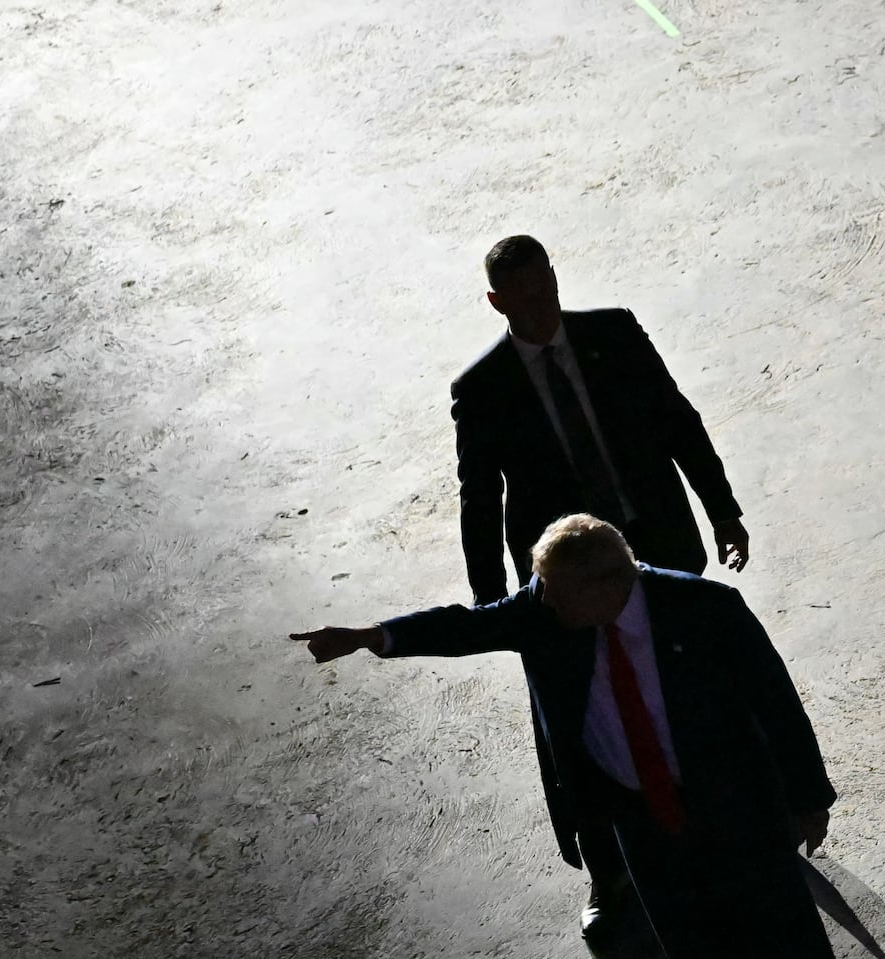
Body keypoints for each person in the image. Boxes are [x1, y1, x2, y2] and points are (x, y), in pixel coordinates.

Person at [291, 514, 836, 959]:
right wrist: (371, 636)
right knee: (692, 944)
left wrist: (810, 801)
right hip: (640, 822)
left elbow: (777, 705)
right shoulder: (545, 612)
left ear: (607, 585)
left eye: (555, 591)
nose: (543, 601)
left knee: (783, 937)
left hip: (734, 808)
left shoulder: (706, 611)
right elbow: (467, 626)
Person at [451, 233, 751, 933]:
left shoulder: (614, 333)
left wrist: (722, 507)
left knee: (697, 692)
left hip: (656, 550)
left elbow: (678, 421)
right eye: (522, 297)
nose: (540, 306)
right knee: (579, 727)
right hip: (569, 585)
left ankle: (732, 820)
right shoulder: (483, 388)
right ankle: (607, 869)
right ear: (496, 302)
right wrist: (493, 605)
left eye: (546, 286)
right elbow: (478, 501)